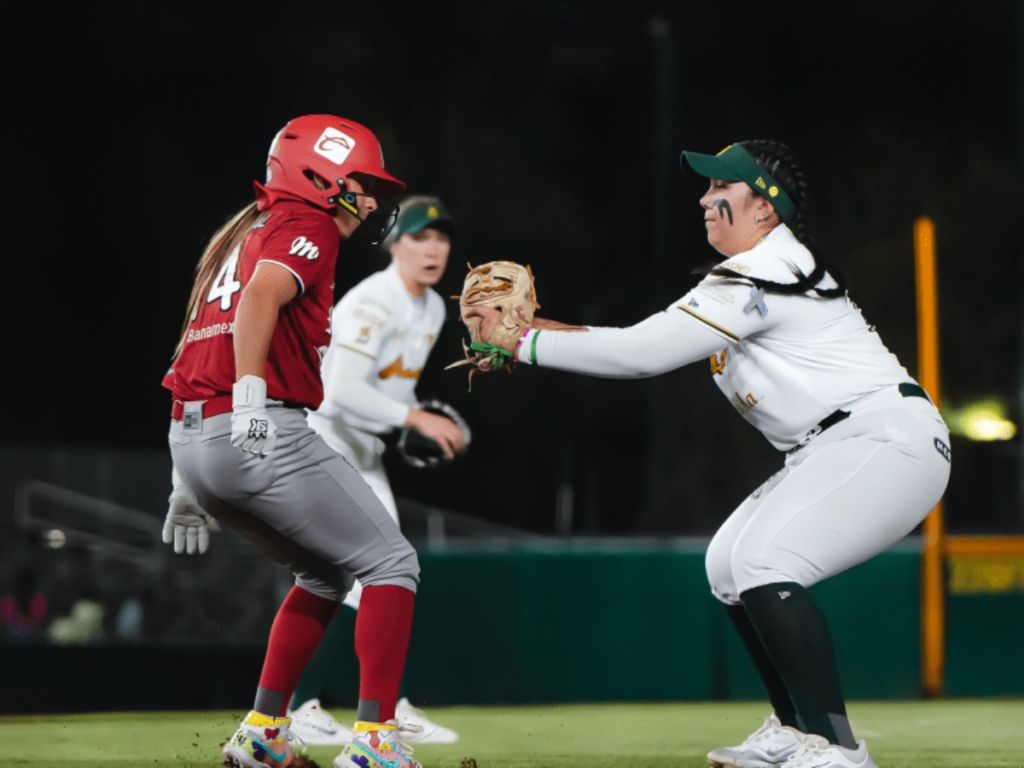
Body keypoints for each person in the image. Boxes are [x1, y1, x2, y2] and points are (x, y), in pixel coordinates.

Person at [465, 140, 951, 768]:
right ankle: (793, 726)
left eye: (722, 185)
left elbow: (639, 354)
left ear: (765, 209)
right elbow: (635, 342)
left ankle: (837, 748)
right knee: (727, 566)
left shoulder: (766, 269)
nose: (705, 197)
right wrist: (532, 333)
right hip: (837, 444)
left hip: (886, 439)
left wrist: (524, 344)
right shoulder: (756, 271)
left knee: (764, 559)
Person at [162, 114, 426, 768]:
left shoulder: (245, 231)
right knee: (392, 564)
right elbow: (260, 301)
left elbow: (195, 349)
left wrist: (183, 482)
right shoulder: (306, 224)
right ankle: (375, 745)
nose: (371, 202)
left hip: (193, 437)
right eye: (362, 184)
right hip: (255, 426)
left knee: (326, 572)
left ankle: (262, 731)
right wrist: (252, 399)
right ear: (321, 175)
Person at [288, 195, 464, 745]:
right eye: (419, 237)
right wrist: (411, 418)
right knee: (370, 574)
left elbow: (391, 387)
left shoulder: (432, 307)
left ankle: (371, 708)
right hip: (324, 441)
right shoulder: (372, 302)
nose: (432, 248)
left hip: (362, 452)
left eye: (440, 238)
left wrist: (408, 424)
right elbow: (336, 394)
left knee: (376, 579)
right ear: (394, 244)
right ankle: (308, 708)